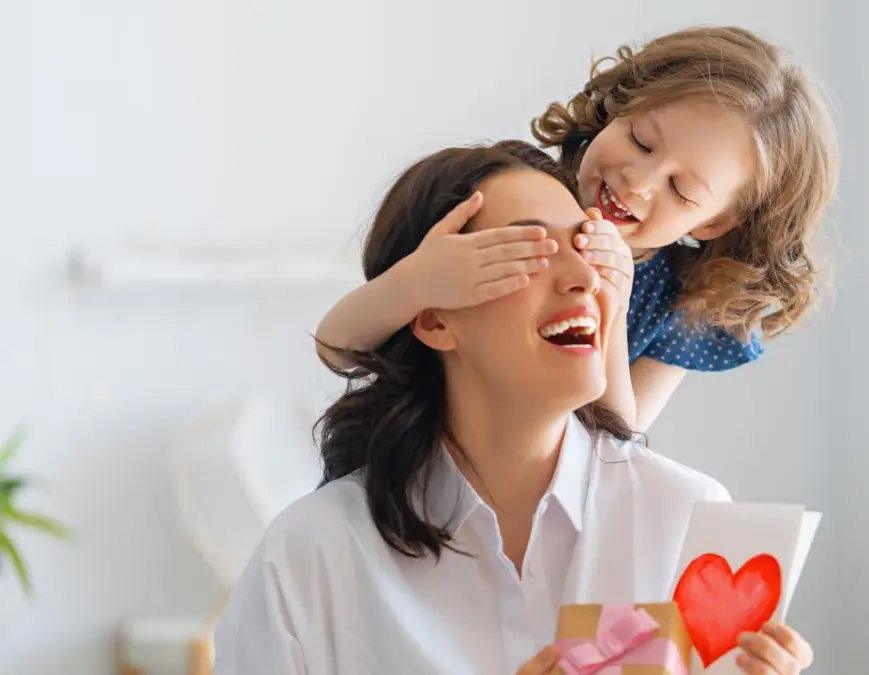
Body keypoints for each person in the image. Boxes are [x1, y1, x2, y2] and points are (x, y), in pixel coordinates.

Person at [212, 141, 813, 674]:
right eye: (532, 251)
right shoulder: (314, 555)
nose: (581, 275)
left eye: (588, 247)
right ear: (432, 315)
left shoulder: (689, 519)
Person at [313, 26, 839, 431]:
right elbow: (338, 348)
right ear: (618, 106)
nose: (639, 182)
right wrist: (419, 281)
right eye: (641, 141)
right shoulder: (507, 200)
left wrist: (611, 301)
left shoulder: (684, 307)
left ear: (717, 221)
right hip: (405, 473)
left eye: (681, 190)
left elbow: (615, 446)